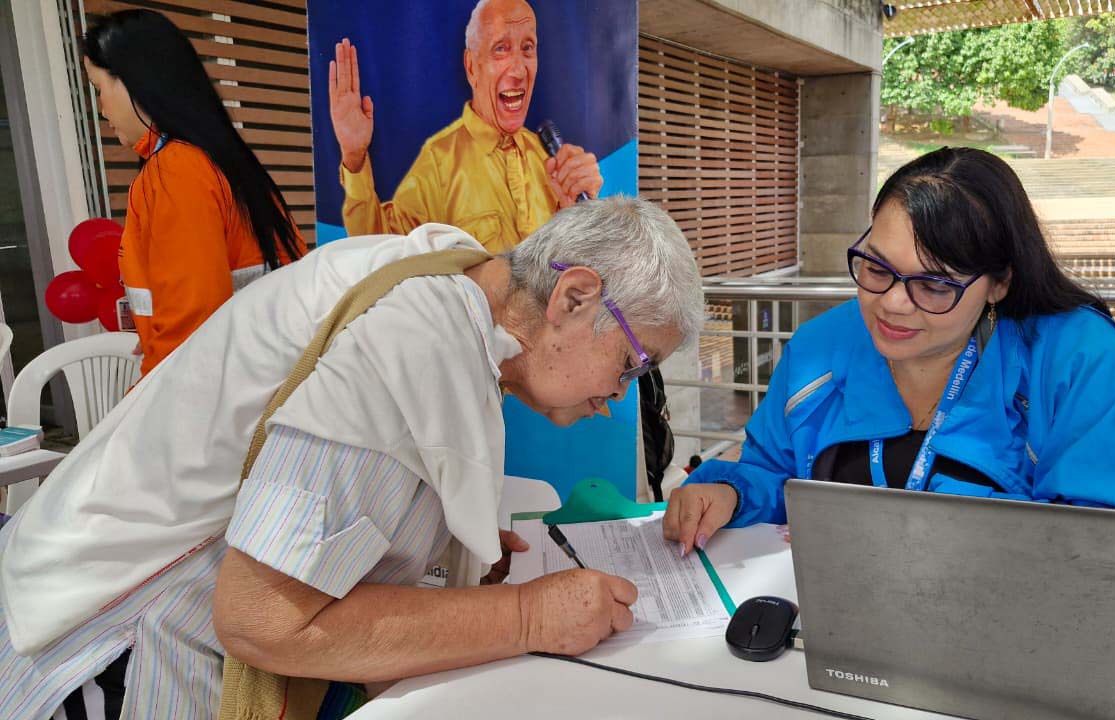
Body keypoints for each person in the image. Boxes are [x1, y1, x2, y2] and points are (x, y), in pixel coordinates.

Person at [0, 196, 703, 720]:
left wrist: (441, 543)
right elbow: (264, 620)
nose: (618, 396)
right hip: (117, 652)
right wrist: (527, 617)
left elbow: (355, 478)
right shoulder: (413, 341)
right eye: (634, 365)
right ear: (575, 296)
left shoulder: (449, 276)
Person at [663, 147, 1115, 555]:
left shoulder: (1077, 360)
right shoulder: (824, 345)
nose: (891, 304)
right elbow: (774, 473)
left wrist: (916, 538)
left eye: (933, 286)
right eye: (876, 267)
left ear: (999, 284)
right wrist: (730, 493)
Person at [83, 9, 306, 378]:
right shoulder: (216, 157)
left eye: (99, 88)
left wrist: (144, 404)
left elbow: (192, 332)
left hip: (225, 393)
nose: (101, 106)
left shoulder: (175, 170)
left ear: (133, 82)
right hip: (264, 377)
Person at [329, 0, 604, 251]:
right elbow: (379, 248)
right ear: (472, 67)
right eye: (501, 49)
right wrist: (354, 157)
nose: (519, 70)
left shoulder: (548, 159)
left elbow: (576, 268)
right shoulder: (440, 161)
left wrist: (577, 214)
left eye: (527, 48)